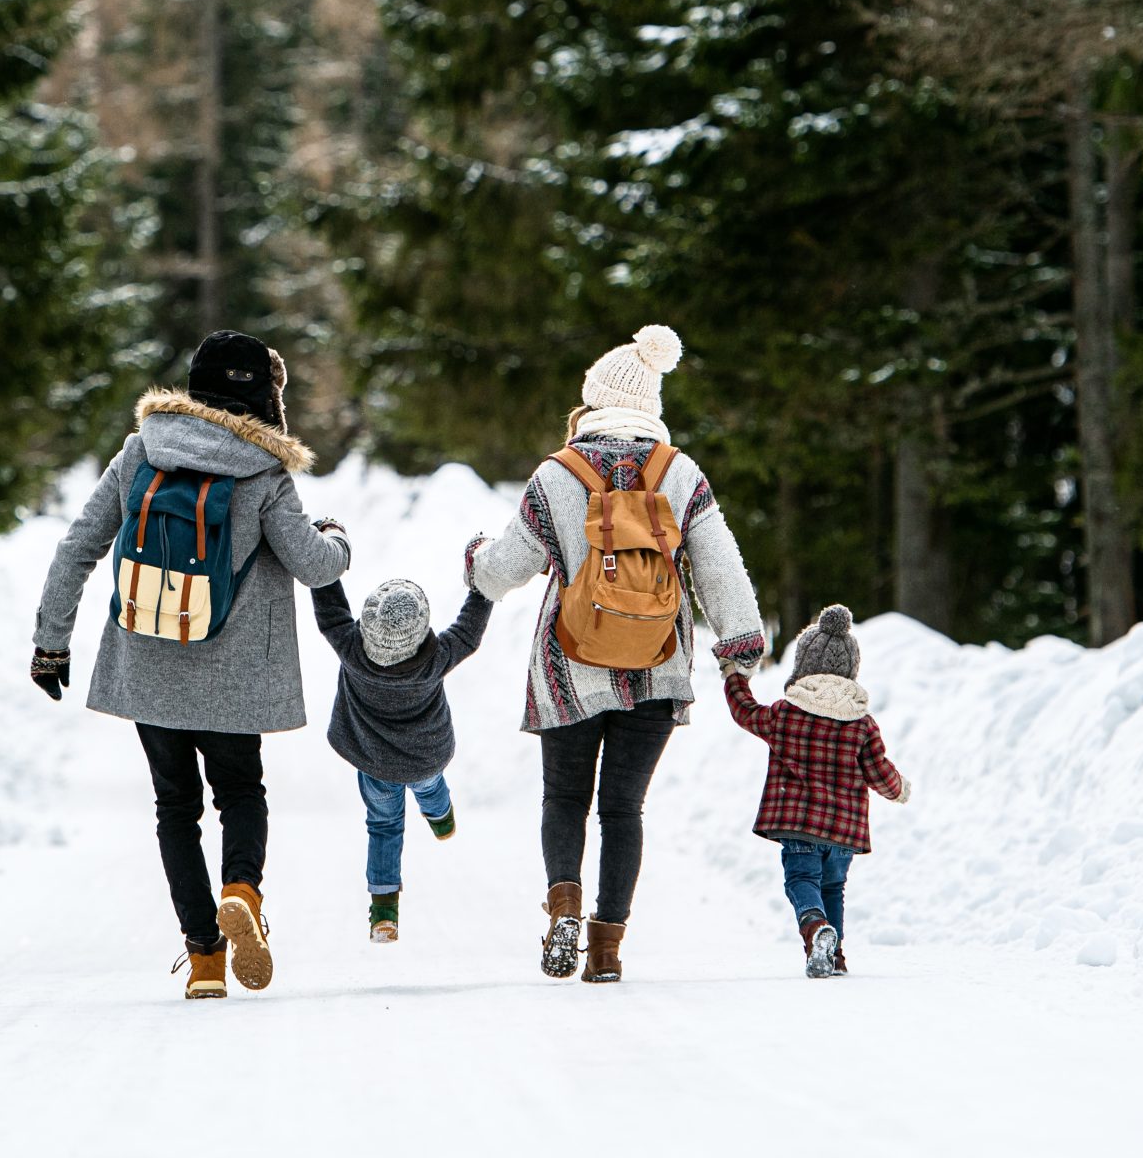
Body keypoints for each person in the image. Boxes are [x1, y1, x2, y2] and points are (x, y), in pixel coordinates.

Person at [28, 331, 353, 1000]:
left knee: (175, 806)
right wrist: (337, 537)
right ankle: (242, 892)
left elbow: (77, 546)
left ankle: (204, 958)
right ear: (265, 395)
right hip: (235, 676)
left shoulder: (142, 448)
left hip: (150, 664)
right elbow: (314, 564)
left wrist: (51, 643)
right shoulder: (264, 470)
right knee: (239, 793)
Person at [466, 323, 767, 983]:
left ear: (594, 400)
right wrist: (740, 650)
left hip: (568, 667)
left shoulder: (557, 474)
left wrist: (475, 564)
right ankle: (605, 950)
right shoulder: (679, 473)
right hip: (658, 667)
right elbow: (720, 567)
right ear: (651, 406)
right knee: (623, 809)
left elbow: (505, 569)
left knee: (564, 798)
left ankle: (564, 907)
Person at [721, 604, 910, 978]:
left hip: (799, 826)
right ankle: (834, 956)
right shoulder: (862, 724)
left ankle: (814, 929)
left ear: (803, 664)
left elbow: (745, 712)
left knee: (802, 882)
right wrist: (899, 788)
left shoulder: (785, 714)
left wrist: (734, 676)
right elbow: (878, 771)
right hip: (843, 832)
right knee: (833, 888)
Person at [306, 576, 493, 942]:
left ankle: (384, 912)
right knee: (431, 787)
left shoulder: (350, 649)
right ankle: (441, 819)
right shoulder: (436, 659)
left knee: (384, 827)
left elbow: (331, 611)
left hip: (376, 766)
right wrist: (482, 586)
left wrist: (323, 552)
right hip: (426, 758)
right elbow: (468, 632)